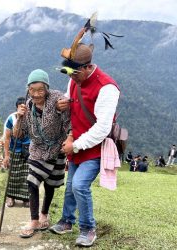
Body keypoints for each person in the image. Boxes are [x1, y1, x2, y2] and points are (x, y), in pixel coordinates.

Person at [50, 42, 120, 247]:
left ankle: (88, 229)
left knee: (80, 185)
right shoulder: (74, 81)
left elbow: (102, 128)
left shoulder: (107, 88)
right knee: (71, 185)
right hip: (76, 143)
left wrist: (76, 144)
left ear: (88, 67)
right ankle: (66, 221)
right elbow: (73, 107)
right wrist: (62, 105)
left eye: (75, 73)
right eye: (68, 73)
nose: (71, 78)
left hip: (94, 147)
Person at [13, 69, 70, 238]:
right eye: (32, 90)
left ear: (47, 89)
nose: (36, 94)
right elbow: (18, 134)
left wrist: (69, 139)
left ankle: (44, 214)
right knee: (32, 182)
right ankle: (34, 220)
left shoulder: (58, 99)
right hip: (37, 150)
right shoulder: (27, 106)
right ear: (28, 89)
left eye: (40, 90)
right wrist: (19, 117)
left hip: (56, 149)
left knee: (50, 184)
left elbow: (68, 121)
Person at [3, 97, 30, 208]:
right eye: (21, 107)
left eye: (25, 107)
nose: (23, 109)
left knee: (27, 175)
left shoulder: (31, 118)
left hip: (28, 151)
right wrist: (6, 155)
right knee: (13, 175)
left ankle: (26, 198)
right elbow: (7, 138)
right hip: (15, 150)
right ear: (17, 107)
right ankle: (11, 197)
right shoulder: (11, 118)